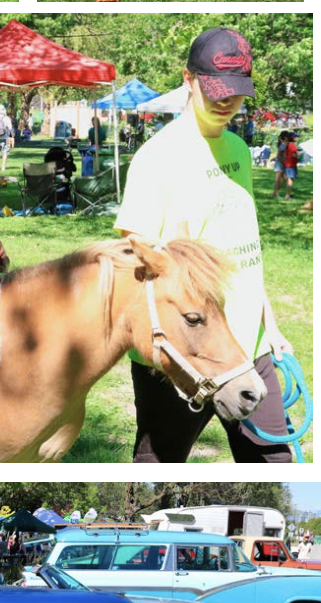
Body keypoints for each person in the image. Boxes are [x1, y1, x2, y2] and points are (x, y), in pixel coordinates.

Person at [117, 28, 302, 464]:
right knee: (158, 465)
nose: (227, 102)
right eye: (216, 91)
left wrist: (270, 327)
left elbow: (246, 251)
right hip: (187, 354)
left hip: (250, 348)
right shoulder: (155, 158)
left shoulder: (237, 147)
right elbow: (135, 258)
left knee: (275, 461)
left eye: (236, 93)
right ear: (188, 78)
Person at [275, 131, 301, 200]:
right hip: (285, 164)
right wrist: (300, 153)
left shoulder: (287, 144)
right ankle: (283, 195)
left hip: (286, 163)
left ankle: (276, 192)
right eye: (296, 137)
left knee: (285, 179)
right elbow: (281, 155)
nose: (297, 139)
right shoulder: (289, 145)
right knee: (283, 180)